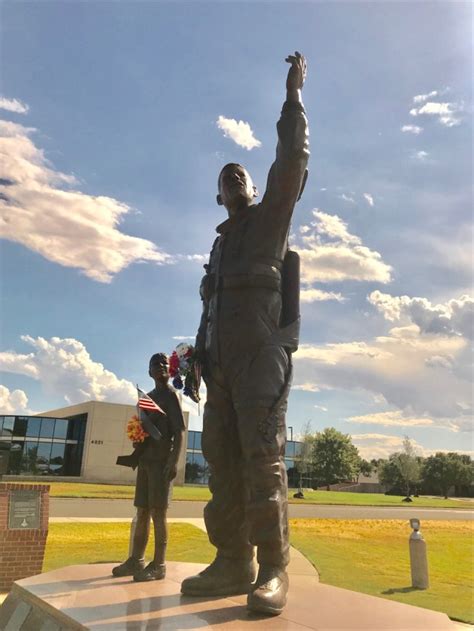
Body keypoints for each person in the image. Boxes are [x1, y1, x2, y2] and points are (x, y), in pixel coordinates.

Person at [181, 52, 309, 615]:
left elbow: (291, 160)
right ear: (219, 197)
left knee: (262, 456)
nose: (233, 177)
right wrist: (198, 358)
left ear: (254, 187)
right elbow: (209, 307)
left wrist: (293, 98)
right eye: (223, 177)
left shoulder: (268, 220)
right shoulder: (219, 244)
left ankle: (275, 566)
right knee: (221, 460)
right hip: (219, 364)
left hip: (260, 355)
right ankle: (233, 559)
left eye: (241, 173)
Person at [113, 353, 185, 582]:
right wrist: (138, 438)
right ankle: (137, 560)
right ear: (149, 372)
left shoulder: (171, 396)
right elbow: (143, 428)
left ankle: (159, 565)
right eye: (156, 364)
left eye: (165, 363)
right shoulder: (148, 398)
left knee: (158, 513)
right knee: (142, 511)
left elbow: (179, 431)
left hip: (162, 463)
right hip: (145, 461)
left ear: (170, 369)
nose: (161, 366)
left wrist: (174, 461)